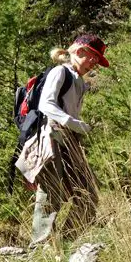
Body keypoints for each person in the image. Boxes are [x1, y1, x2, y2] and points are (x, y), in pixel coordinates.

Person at [28, 33, 109, 247]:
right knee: (50, 191)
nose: (94, 63)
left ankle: (67, 242)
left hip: (69, 137)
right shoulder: (60, 71)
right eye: (92, 57)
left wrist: (77, 128)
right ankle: (40, 245)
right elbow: (46, 105)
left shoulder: (79, 81)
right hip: (52, 135)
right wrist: (76, 124)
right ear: (78, 51)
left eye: (97, 60)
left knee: (88, 191)